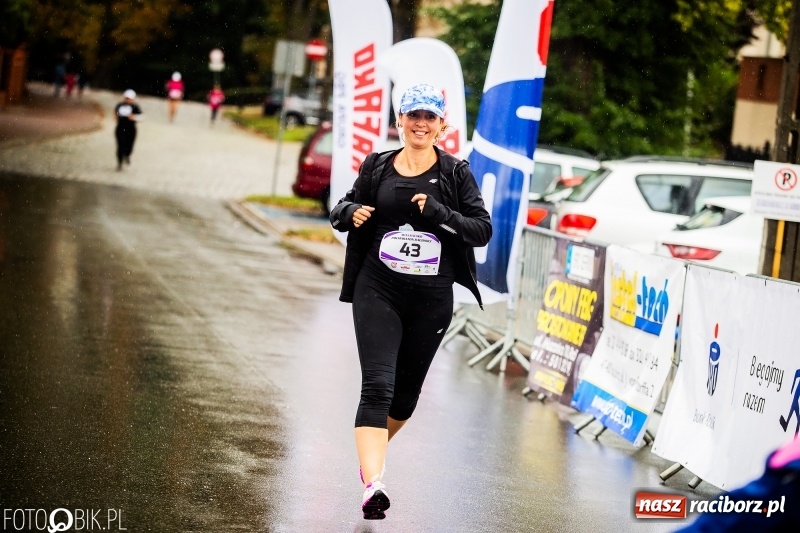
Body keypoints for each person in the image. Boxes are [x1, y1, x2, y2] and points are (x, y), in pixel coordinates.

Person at [329, 83, 492, 520]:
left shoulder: (456, 174)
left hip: (431, 297)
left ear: (442, 125)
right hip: (377, 288)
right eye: (413, 115)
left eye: (429, 117)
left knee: (404, 399)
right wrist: (349, 213)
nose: (421, 123)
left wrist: (440, 213)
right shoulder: (378, 166)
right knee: (377, 385)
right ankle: (374, 484)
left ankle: (370, 457)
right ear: (400, 120)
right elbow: (341, 207)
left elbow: (481, 230)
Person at [114, 89, 143, 171]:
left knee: (129, 145)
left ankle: (127, 155)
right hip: (120, 127)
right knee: (120, 145)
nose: (128, 100)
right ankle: (119, 163)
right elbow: (115, 113)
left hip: (131, 128)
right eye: (126, 98)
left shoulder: (135, 107)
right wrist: (116, 117)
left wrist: (134, 117)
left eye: (129, 99)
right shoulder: (120, 105)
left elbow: (142, 117)